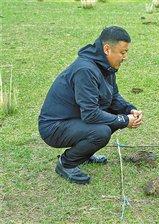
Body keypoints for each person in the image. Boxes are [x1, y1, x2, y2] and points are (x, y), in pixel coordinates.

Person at [38, 26, 143, 184]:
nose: (125, 57)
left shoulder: (105, 66)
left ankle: (83, 154)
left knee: (110, 118)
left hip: (74, 118)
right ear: (107, 49)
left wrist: (129, 109)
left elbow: (113, 97)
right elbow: (90, 114)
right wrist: (125, 120)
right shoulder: (85, 70)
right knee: (101, 131)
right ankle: (66, 164)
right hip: (54, 127)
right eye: (122, 52)